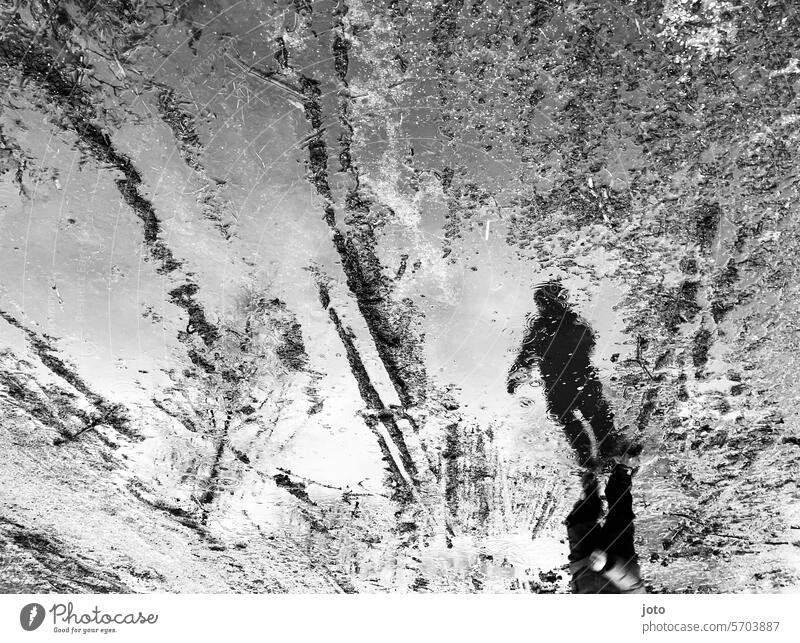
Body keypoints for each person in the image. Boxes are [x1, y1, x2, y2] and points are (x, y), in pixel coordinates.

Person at [507, 281, 618, 467]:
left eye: (543, 302)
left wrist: (514, 377)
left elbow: (526, 355)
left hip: (561, 382)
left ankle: (593, 457)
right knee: (594, 417)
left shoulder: (543, 328)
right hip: (578, 378)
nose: (543, 306)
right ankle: (605, 454)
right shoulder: (573, 322)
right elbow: (589, 343)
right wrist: (515, 376)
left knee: (575, 418)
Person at [565, 451, 647, 594]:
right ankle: (622, 472)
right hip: (619, 560)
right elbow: (634, 587)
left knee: (577, 521)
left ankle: (590, 488)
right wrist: (608, 565)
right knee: (620, 516)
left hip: (583, 564)